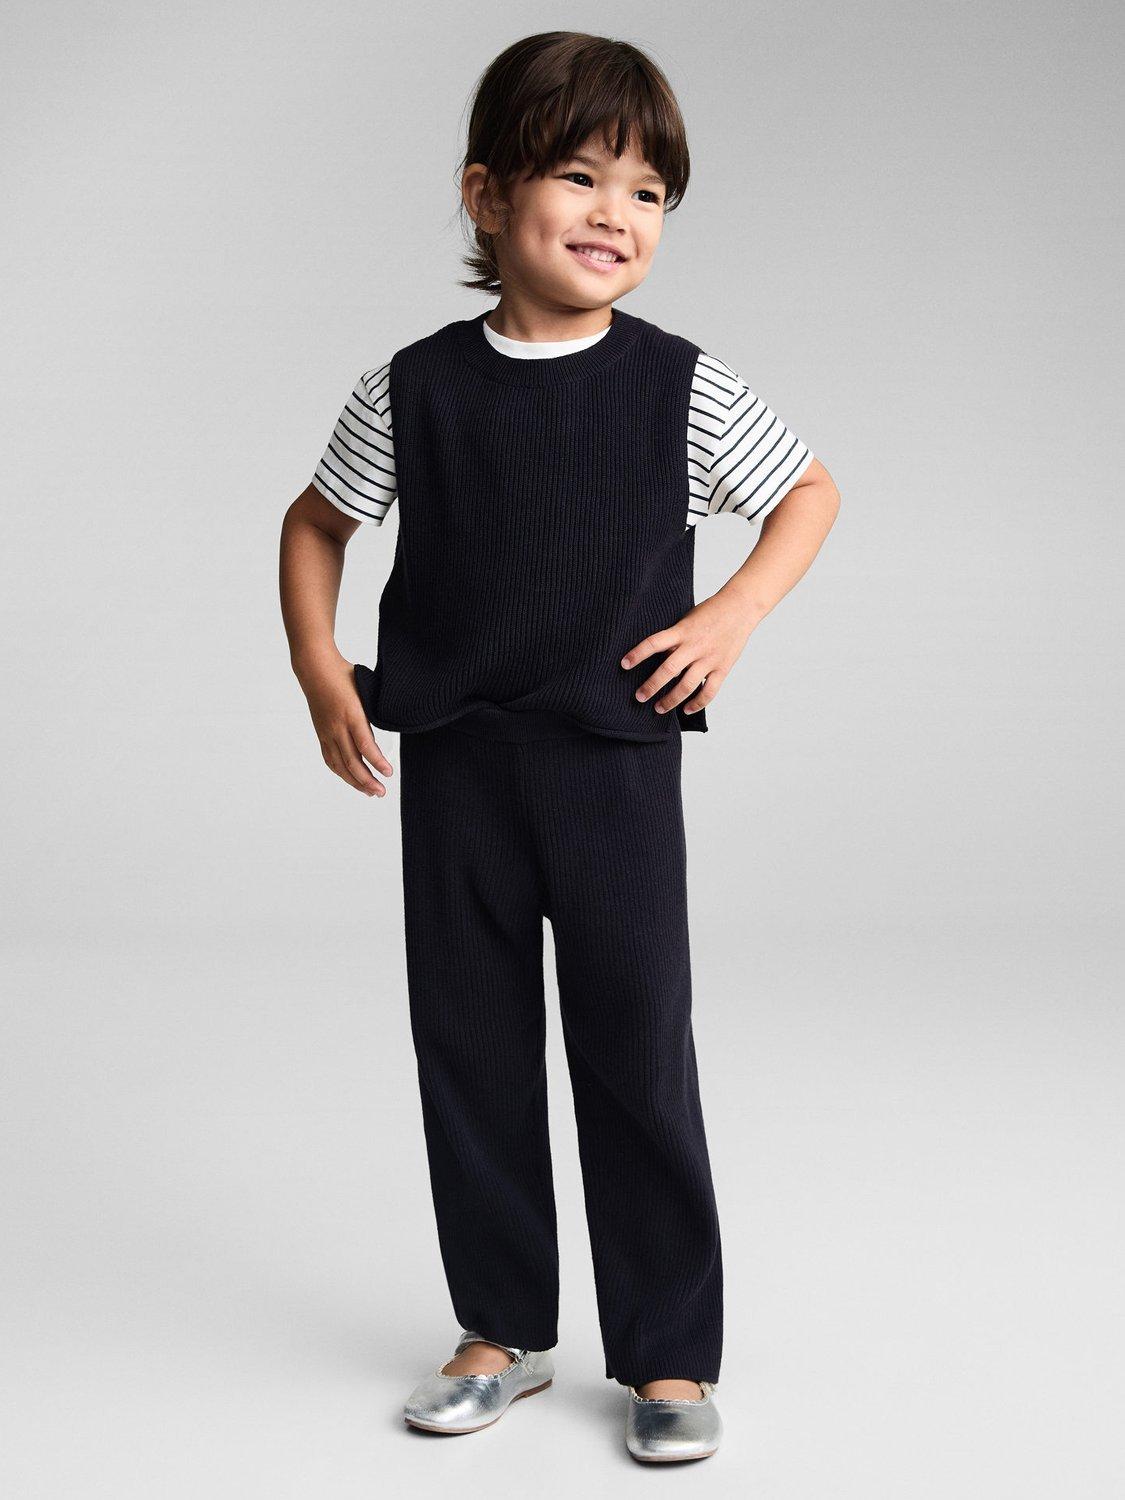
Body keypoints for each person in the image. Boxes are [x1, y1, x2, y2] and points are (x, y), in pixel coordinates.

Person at [279, 30, 840, 1464]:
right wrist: (320, 671)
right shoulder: (413, 389)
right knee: (468, 1044)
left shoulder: (679, 387)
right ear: (486, 195)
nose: (615, 213)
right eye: (580, 176)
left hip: (612, 770)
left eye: (648, 193)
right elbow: (315, 525)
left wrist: (729, 616)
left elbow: (808, 494)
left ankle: (669, 1354)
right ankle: (502, 1329)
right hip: (456, 768)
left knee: (635, 1049)